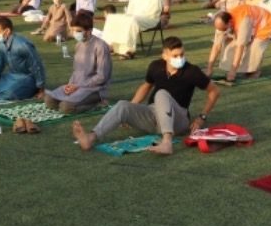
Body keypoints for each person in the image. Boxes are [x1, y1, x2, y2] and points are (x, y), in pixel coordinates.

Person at [71, 37, 219, 156]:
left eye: (182, 55)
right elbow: (146, 86)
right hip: (154, 116)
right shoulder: (156, 66)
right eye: (175, 56)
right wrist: (133, 106)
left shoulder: (192, 71)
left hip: (178, 119)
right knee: (123, 105)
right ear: (165, 56)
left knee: (161, 94)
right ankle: (90, 138)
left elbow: (214, 91)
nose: (180, 58)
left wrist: (201, 117)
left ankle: (166, 142)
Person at [48, 11, 112, 113]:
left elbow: (102, 76)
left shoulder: (100, 46)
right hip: (77, 86)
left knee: (65, 107)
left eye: (78, 31)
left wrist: (79, 86)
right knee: (49, 100)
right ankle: (74, 99)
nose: (74, 34)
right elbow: (76, 71)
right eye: (73, 30)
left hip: (94, 89)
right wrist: (70, 85)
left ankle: (98, 103)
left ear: (88, 31)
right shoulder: (78, 45)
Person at [207, 0, 271, 82]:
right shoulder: (221, 22)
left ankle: (255, 71)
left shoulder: (243, 21)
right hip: (252, 23)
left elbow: (240, 47)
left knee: (255, 47)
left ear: (229, 23)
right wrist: (209, 69)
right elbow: (216, 46)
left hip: (266, 24)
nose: (222, 31)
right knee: (229, 43)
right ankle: (242, 69)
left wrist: (233, 72)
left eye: (224, 29)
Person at [101, 0, 168, 57]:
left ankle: (129, 50)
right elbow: (132, 3)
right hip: (135, 16)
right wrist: (129, 14)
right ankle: (110, 46)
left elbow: (154, 8)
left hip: (150, 18)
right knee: (112, 18)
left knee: (132, 20)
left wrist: (134, 15)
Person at [0, 17, 47, 101]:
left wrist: (41, 89)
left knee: (9, 93)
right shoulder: (1, 45)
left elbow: (37, 66)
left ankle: (31, 90)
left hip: (28, 77)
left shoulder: (23, 45)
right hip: (12, 76)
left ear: (7, 31)